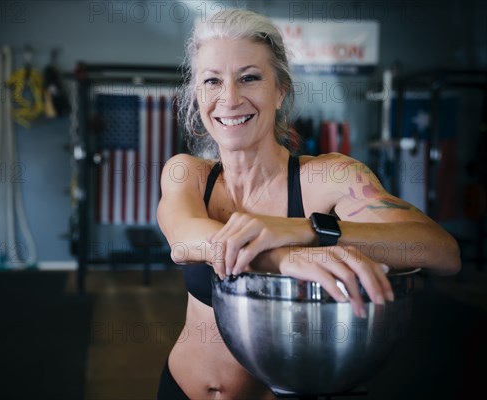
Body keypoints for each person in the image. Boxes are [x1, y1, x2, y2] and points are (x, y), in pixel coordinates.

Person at [156, 8, 461, 400]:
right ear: (197, 94)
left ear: (280, 89)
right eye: (212, 81)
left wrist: (310, 231)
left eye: (249, 77)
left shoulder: (327, 178)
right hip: (181, 389)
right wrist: (287, 258)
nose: (229, 98)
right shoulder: (189, 174)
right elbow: (183, 242)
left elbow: (443, 251)